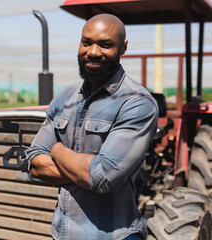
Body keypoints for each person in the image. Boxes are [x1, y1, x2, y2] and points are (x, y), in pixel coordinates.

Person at [26, 13, 158, 240]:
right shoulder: (64, 98)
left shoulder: (136, 103)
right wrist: (84, 171)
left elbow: (102, 177)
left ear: (123, 48)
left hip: (114, 235)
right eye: (87, 42)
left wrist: (57, 151)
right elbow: (35, 163)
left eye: (105, 45)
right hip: (62, 233)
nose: (94, 52)